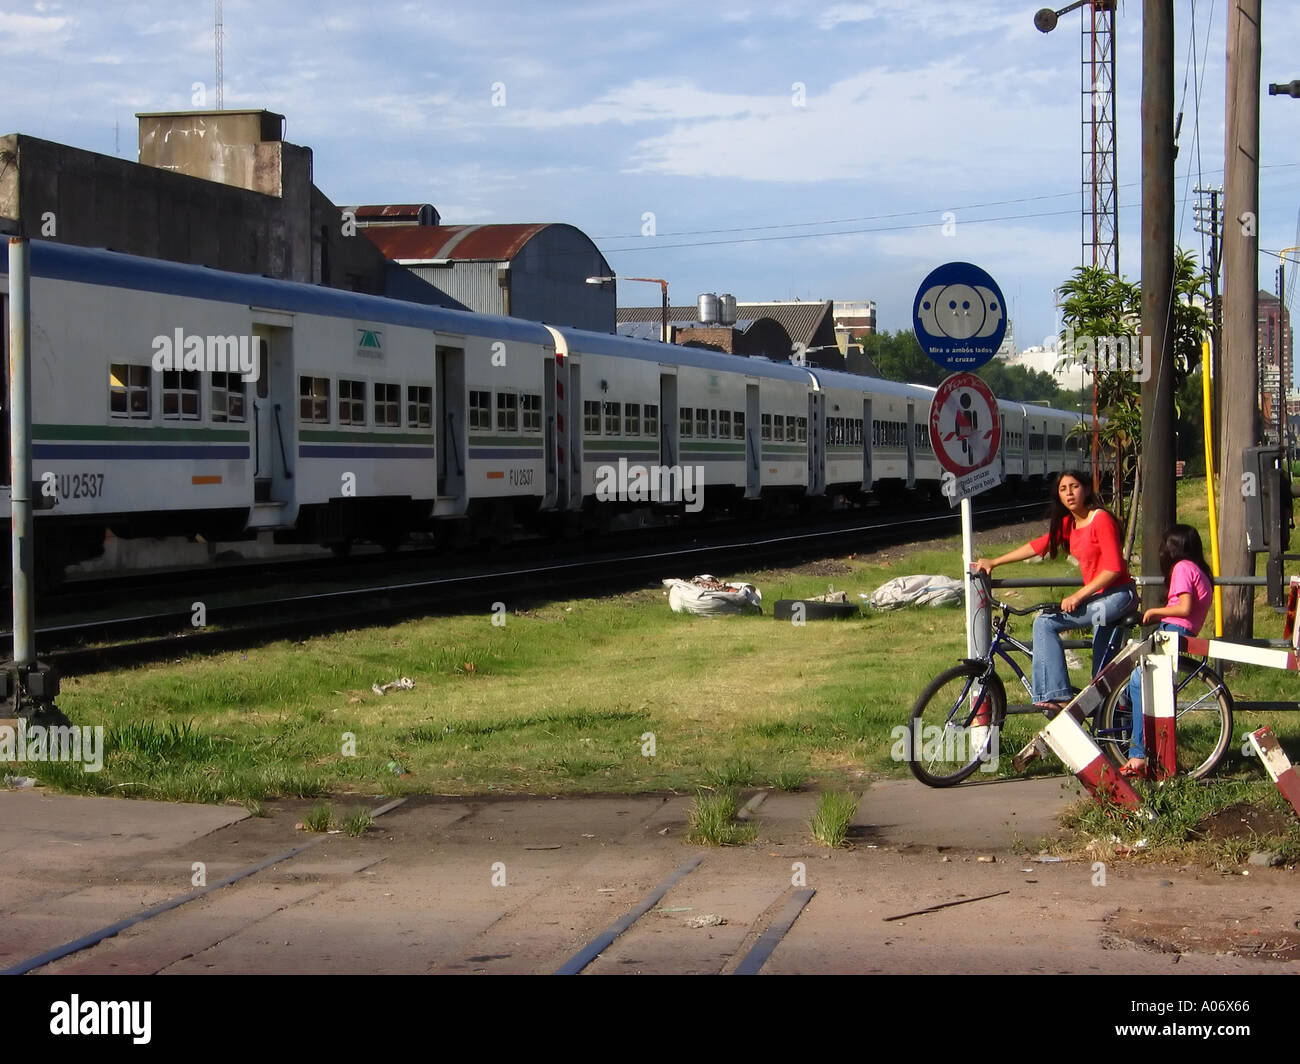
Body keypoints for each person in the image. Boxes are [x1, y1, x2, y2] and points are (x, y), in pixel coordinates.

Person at [975, 470, 1136, 708]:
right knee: (1103, 680)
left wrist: (1079, 595)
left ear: (1086, 489)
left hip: (1118, 597)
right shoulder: (1069, 524)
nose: (1069, 493)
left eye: (1074, 486)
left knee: (1046, 623)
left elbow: (1113, 568)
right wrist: (995, 562)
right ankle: (1113, 733)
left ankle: (1056, 696)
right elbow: (1038, 546)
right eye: (1063, 489)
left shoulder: (1100, 519)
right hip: (1100, 599)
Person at [1119, 524, 1214, 779]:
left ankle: (1137, 753)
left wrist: (1153, 612)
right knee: (1135, 684)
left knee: (1139, 681)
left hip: (1173, 631)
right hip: (1181, 631)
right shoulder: (1200, 571)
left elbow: (1184, 608)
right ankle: (1128, 729)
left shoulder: (1182, 567)